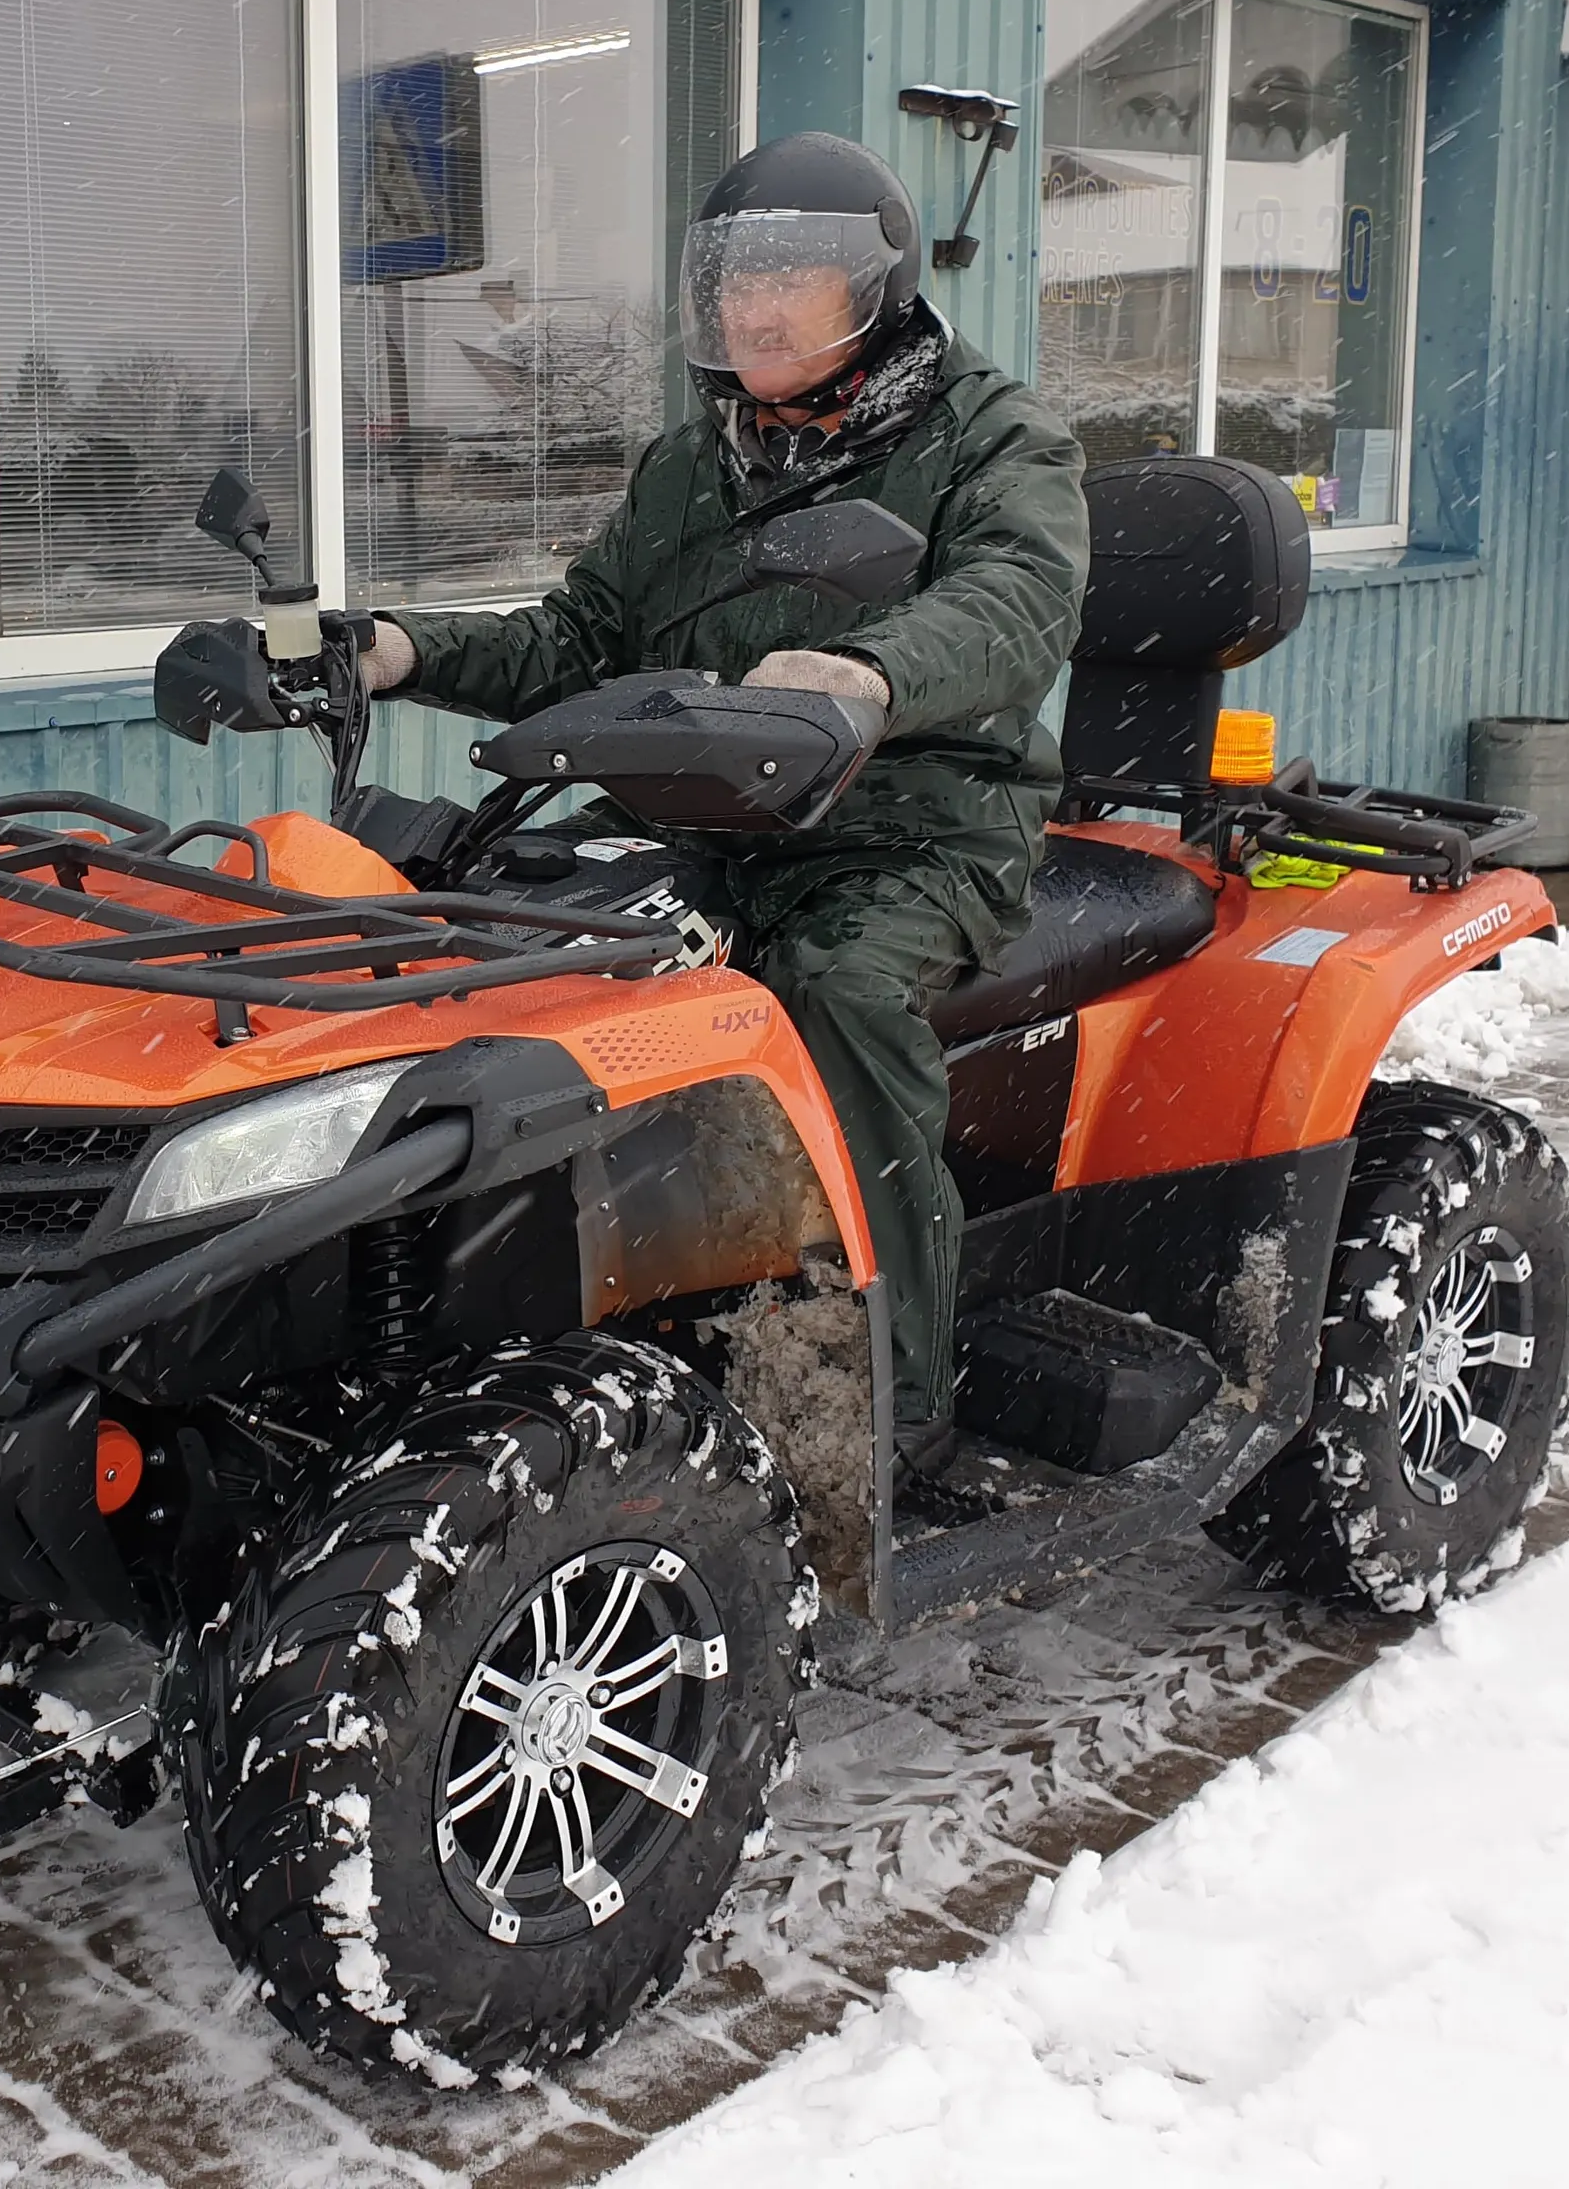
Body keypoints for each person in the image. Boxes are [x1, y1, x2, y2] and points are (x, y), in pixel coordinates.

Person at [361, 132, 1089, 1474]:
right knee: (525, 947)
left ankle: (894, 1397)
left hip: (914, 824)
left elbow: (1018, 599)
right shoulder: (693, 465)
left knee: (837, 993)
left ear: (873, 291)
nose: (753, 309)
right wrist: (403, 651)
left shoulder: (994, 435)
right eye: (735, 281)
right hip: (709, 810)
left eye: (791, 280)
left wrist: (872, 675)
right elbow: (578, 640)